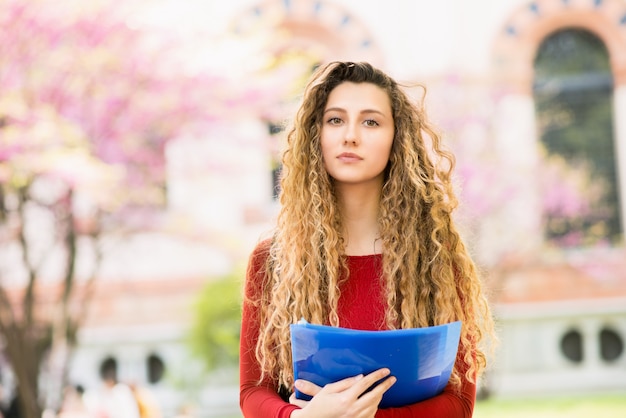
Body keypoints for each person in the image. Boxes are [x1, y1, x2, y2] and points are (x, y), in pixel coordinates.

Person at [239, 61, 495, 418]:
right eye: (335, 120)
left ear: (397, 139)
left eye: (371, 121)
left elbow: (459, 401)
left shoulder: (437, 255)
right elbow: (253, 392)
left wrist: (364, 415)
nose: (351, 136)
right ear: (317, 134)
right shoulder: (272, 258)